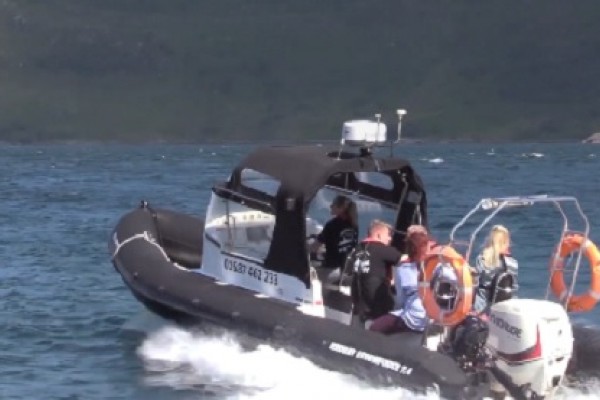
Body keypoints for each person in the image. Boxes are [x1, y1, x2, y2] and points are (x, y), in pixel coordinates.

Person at [369, 224, 429, 334]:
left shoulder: (404, 267)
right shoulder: (438, 264)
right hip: (433, 316)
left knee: (374, 327)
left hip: (414, 317)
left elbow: (401, 300)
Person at [350, 220, 402, 324]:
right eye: (388, 235)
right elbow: (404, 259)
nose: (390, 238)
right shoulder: (382, 250)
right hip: (376, 303)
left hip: (359, 302)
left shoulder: (357, 249)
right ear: (378, 235)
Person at [309, 195, 358, 281]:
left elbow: (314, 247)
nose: (330, 206)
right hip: (346, 273)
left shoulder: (332, 225)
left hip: (331, 270)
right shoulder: (354, 227)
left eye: (333, 204)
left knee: (307, 275)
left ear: (341, 208)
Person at [472, 224, 519, 315]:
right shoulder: (513, 263)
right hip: (504, 309)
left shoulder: (482, 259)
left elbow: (476, 283)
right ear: (505, 242)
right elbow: (514, 289)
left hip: (482, 309)